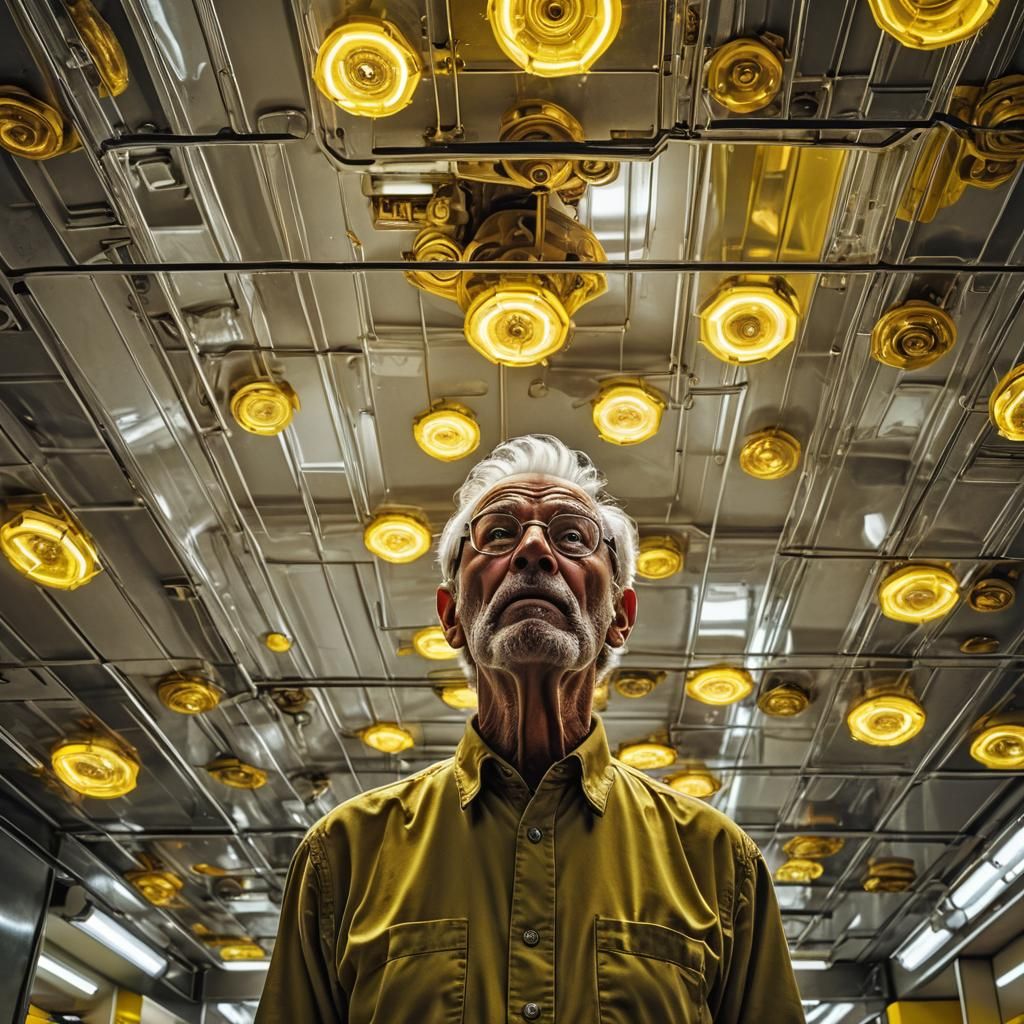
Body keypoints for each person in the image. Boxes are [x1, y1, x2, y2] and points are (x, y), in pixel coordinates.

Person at [255, 434, 804, 1023]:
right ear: (452, 617)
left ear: (620, 616)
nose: (534, 551)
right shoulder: (343, 858)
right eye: (498, 534)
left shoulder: (719, 862)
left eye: (571, 536)